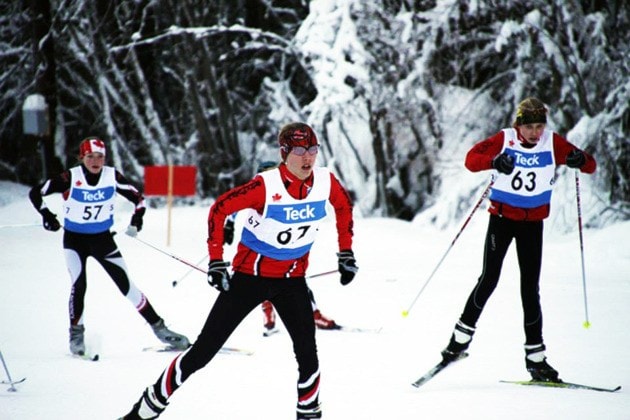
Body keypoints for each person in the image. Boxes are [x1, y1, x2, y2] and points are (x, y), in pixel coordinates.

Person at [120, 122, 358, 420]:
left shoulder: (326, 182)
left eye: (312, 150)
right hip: (249, 281)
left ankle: (309, 415)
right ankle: (146, 409)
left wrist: (346, 252)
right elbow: (219, 209)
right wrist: (217, 261)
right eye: (299, 151)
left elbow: (344, 207)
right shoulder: (265, 186)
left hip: (292, 281)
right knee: (202, 352)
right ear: (284, 153)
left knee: (308, 355)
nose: (307, 157)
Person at [440, 97, 596, 382]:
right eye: (529, 127)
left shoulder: (552, 142)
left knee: (530, 289)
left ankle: (536, 360)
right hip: (501, 221)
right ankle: (457, 343)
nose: (535, 133)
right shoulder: (505, 139)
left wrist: (579, 160)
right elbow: (471, 160)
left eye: (539, 126)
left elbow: (590, 165)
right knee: (489, 278)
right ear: (518, 125)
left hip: (533, 225)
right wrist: (494, 161)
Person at [29, 137, 190, 356]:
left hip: (102, 240)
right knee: (79, 285)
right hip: (74, 241)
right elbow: (35, 192)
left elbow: (139, 199)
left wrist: (136, 221)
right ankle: (76, 337)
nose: (95, 161)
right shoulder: (70, 177)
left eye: (100, 156)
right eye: (90, 157)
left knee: (127, 286)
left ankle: (161, 330)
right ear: (81, 158)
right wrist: (47, 215)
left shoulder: (111, 176)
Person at [224, 160, 339, 336]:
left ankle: (310, 314)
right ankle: (269, 314)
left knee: (291, 279)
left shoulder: (286, 185)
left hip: (284, 244)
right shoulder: (258, 186)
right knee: (261, 279)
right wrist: (229, 225)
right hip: (260, 244)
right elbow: (233, 204)